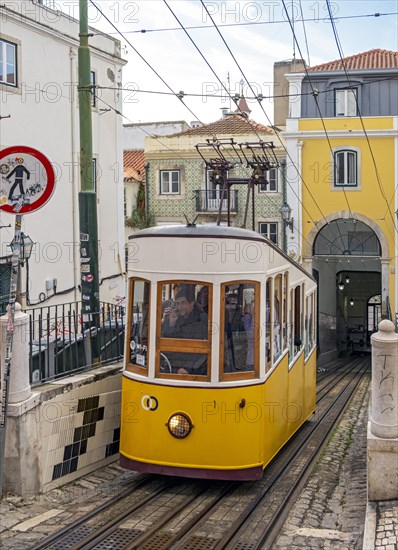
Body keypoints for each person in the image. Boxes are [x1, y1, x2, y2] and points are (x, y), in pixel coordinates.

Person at [162, 286, 208, 374]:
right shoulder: (177, 317)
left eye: (183, 303)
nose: (180, 307)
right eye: (177, 303)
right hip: (174, 365)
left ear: (192, 303)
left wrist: (188, 369)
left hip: (194, 369)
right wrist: (171, 323)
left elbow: (200, 349)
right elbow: (167, 342)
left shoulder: (201, 318)